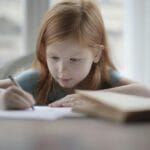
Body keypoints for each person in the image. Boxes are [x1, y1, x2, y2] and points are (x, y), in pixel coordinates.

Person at [0, 0, 150, 109]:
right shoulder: (37, 80)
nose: (62, 70)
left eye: (74, 59)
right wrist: (3, 99)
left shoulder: (103, 78)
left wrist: (93, 99)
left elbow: (145, 92)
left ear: (96, 54)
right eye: (54, 57)